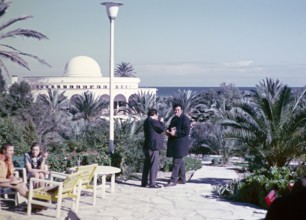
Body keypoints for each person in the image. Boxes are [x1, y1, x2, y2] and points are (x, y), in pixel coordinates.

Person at [165, 103, 191, 187]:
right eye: (175, 110)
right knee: (180, 162)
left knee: (176, 162)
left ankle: (173, 180)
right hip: (175, 144)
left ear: (182, 110)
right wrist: (168, 131)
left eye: (178, 110)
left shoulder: (185, 119)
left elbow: (186, 131)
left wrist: (175, 133)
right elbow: (171, 128)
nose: (176, 111)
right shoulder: (174, 119)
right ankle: (182, 179)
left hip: (180, 145)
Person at [141, 109, 165, 188]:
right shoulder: (152, 121)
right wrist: (161, 121)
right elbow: (161, 129)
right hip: (153, 146)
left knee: (147, 165)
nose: (158, 117)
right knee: (153, 164)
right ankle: (152, 183)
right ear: (154, 114)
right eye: (157, 115)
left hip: (147, 145)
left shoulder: (146, 121)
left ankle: (144, 183)